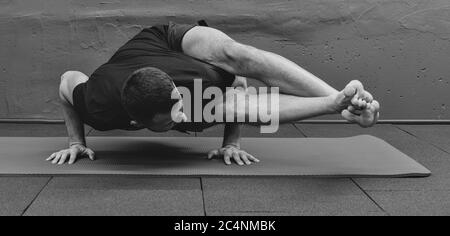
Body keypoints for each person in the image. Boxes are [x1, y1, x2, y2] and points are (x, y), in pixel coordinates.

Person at [48, 21, 380, 166]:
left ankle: (348, 102)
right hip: (173, 81)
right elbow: (68, 81)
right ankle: (340, 104)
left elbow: (241, 83)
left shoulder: (186, 93)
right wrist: (77, 141)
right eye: (176, 114)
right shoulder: (97, 106)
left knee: (240, 56)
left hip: (164, 41)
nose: (184, 112)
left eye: (179, 102)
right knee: (230, 107)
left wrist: (335, 102)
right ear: (138, 122)